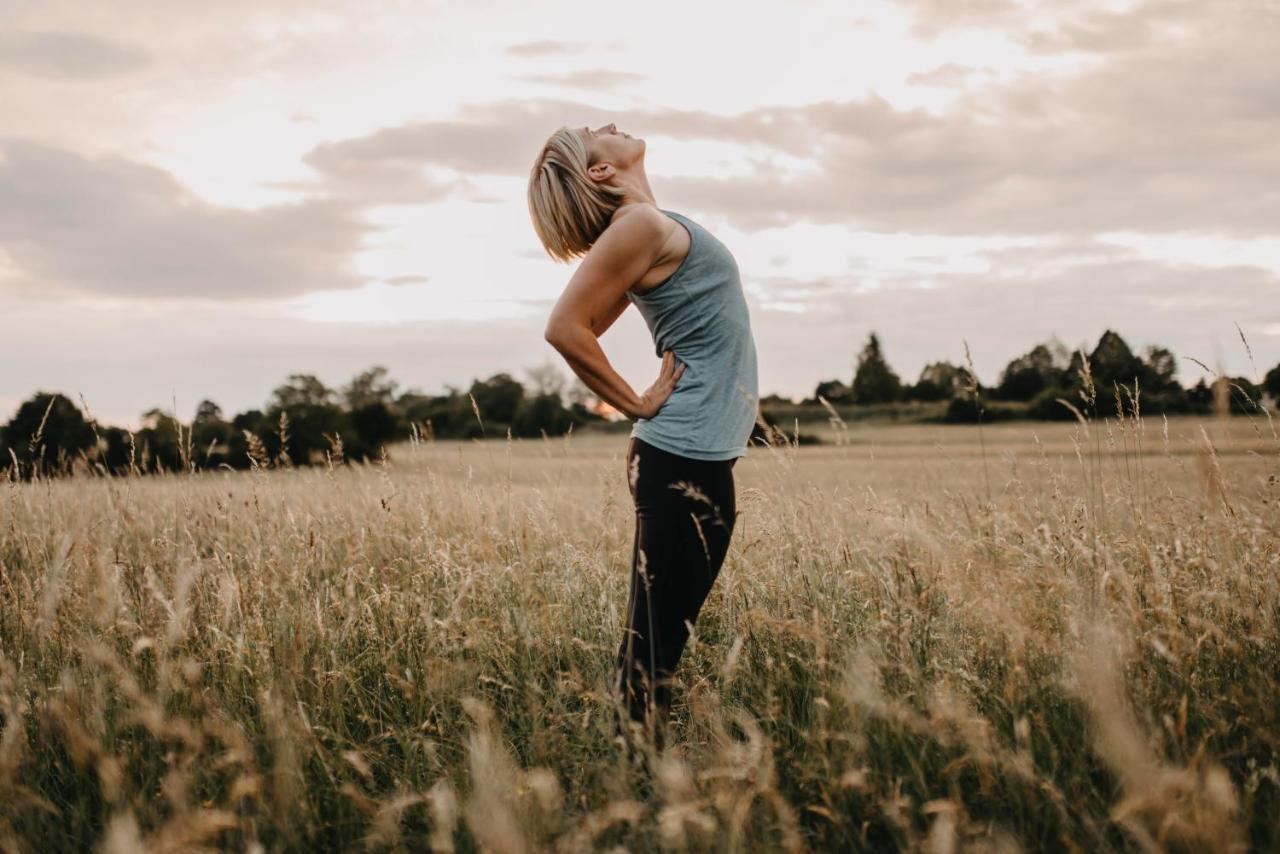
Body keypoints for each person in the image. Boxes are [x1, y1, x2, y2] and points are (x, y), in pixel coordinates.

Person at [527, 122, 760, 752]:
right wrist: (633, 402)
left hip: (693, 454)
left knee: (656, 640)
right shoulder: (639, 227)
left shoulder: (646, 227)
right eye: (591, 134)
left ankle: (636, 771)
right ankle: (634, 786)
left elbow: (591, 318)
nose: (604, 125)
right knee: (653, 647)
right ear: (600, 172)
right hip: (681, 455)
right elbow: (567, 327)